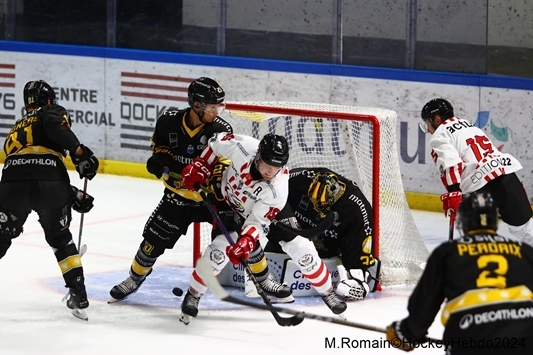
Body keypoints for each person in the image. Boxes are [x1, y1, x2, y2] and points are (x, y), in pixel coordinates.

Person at [108, 77, 234, 302]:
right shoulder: (168, 121)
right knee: (151, 243)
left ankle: (201, 291)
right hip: (177, 197)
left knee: (228, 239)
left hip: (210, 199)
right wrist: (159, 159)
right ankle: (134, 279)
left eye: (219, 105)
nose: (217, 110)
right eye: (212, 105)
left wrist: (213, 181)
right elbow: (161, 146)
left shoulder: (221, 129)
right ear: (197, 104)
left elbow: (224, 164)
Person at [387, 191, 533, 354]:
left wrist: (406, 333)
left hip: (470, 340)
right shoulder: (525, 252)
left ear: (463, 221)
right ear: (494, 221)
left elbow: (424, 306)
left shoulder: (447, 253)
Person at [0, 80, 99, 320]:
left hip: (12, 184)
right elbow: (54, 131)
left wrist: (72, 193)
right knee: (60, 238)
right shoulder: (51, 111)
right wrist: (80, 153)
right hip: (51, 184)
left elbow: (28, 169)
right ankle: (78, 295)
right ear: (48, 100)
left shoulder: (16, 127)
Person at [178, 132, 301, 324]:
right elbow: (215, 144)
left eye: (276, 167)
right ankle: (194, 294)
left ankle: (264, 280)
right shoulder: (243, 147)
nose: (270, 172)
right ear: (258, 156)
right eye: (267, 165)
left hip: (246, 215)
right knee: (217, 255)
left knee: (246, 247)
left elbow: (257, 222)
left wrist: (246, 241)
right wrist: (201, 166)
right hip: (224, 201)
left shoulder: (278, 190)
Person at [420, 98, 533, 245]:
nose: (428, 130)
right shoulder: (468, 125)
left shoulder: (439, 134)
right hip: (506, 175)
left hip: (479, 188)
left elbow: (451, 163)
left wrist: (454, 192)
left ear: (437, 119)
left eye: (427, 124)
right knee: (525, 229)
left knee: (478, 239)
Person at [265, 167, 380, 301]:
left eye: (321, 207)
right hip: (291, 239)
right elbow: (268, 191)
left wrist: (358, 280)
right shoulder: (297, 180)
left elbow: (359, 261)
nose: (317, 211)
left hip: (327, 248)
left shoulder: (357, 209)